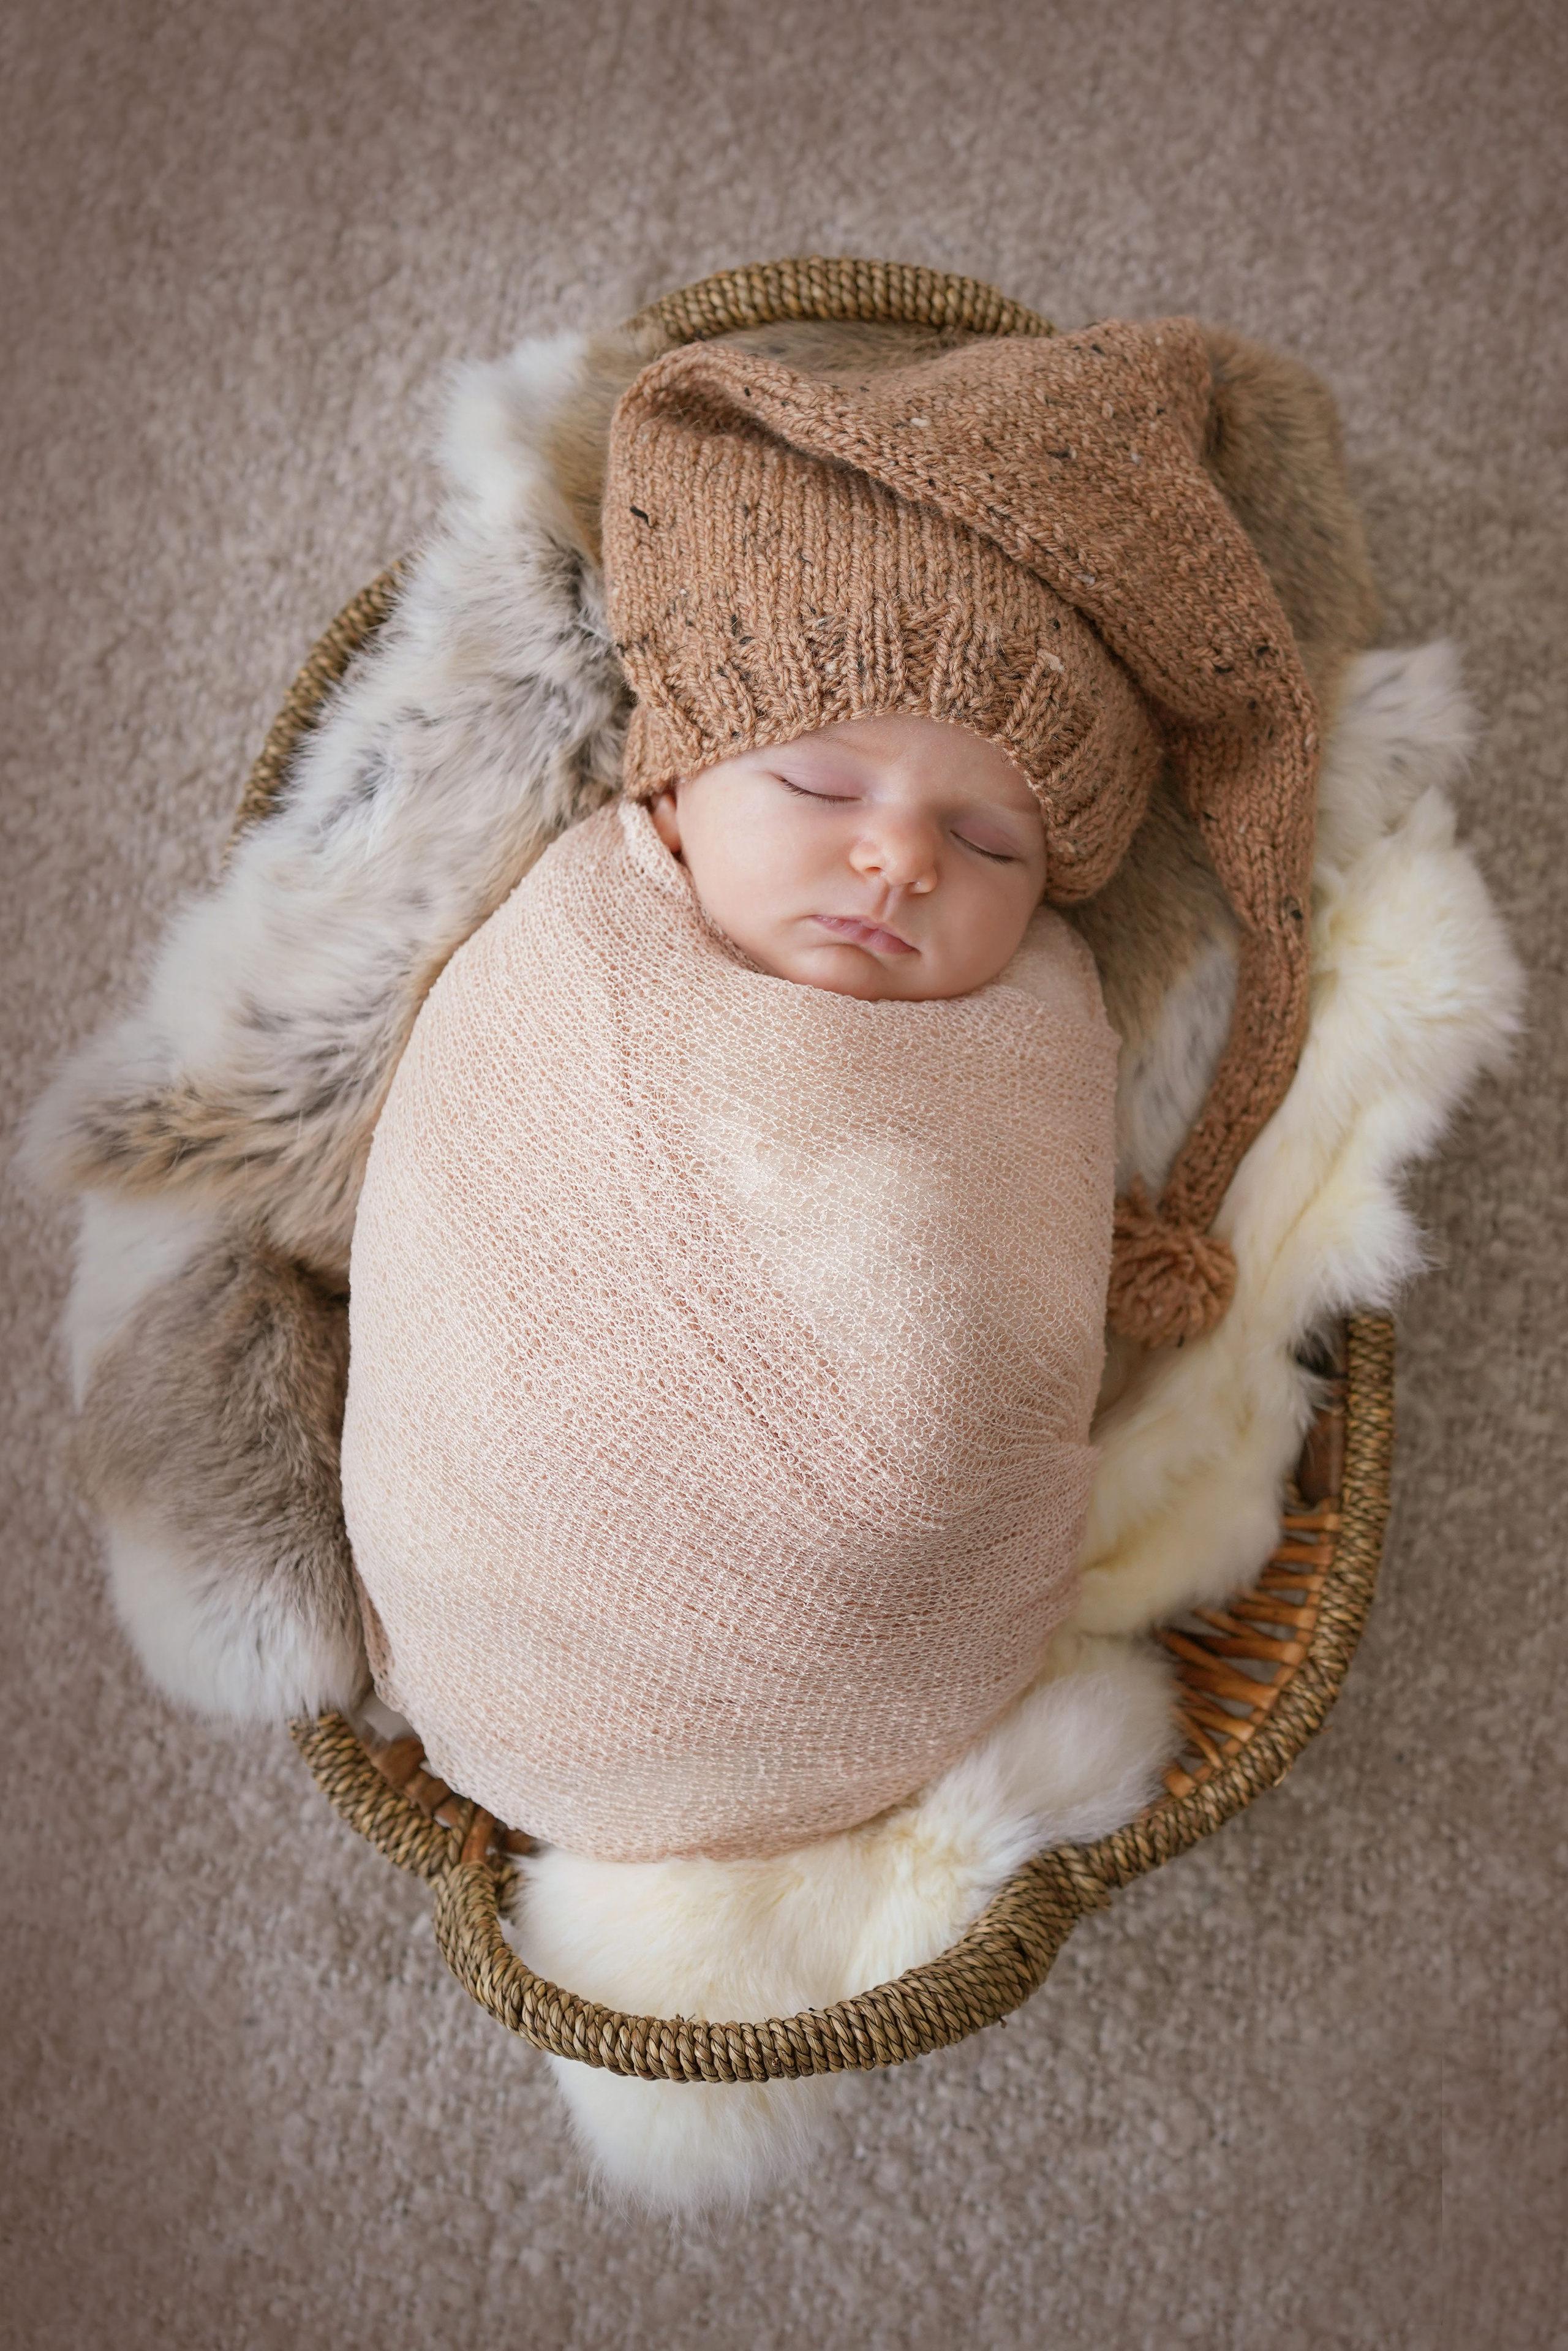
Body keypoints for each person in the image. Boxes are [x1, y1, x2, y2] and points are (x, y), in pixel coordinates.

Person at [340, 323, 1319, 1862]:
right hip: (509, 1550)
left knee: (908, 1455)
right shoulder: (578, 942)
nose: (901, 858)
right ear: (668, 786)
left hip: (875, 1620)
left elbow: (987, 1339)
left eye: (991, 843)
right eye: (815, 785)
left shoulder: (1036, 1027)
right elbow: (473, 1223)